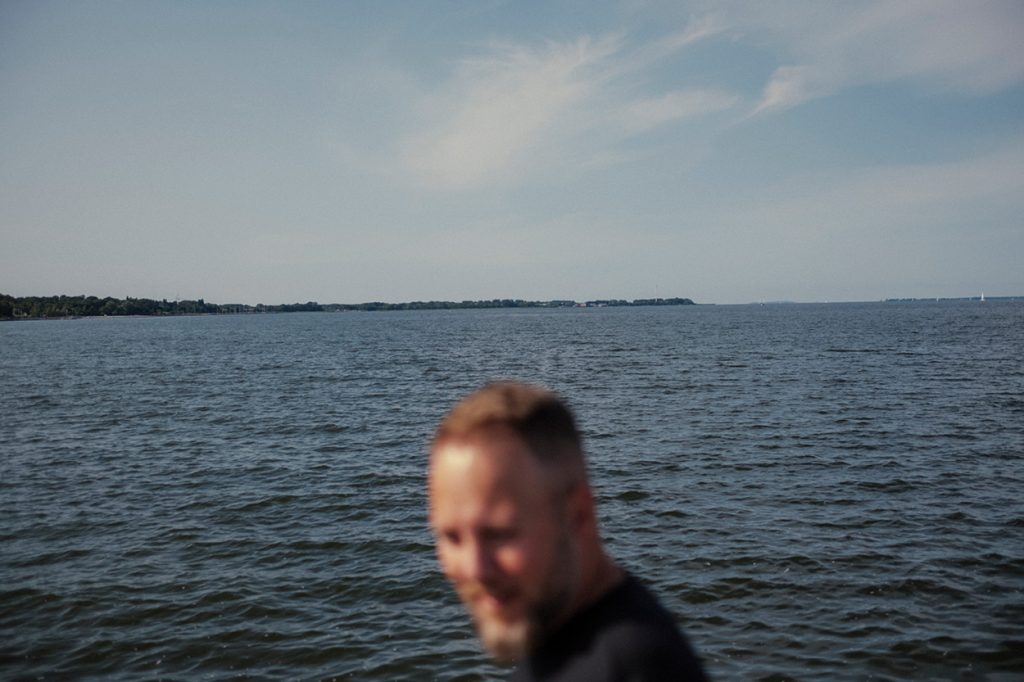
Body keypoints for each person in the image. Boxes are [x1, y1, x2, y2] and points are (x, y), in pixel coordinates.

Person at [428, 381, 708, 681]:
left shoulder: (634, 668)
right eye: (451, 537)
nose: (475, 569)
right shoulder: (567, 644)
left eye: (500, 534)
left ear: (577, 515)